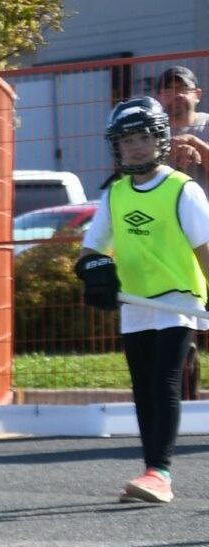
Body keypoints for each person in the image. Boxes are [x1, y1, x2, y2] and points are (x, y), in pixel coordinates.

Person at [76, 96, 209, 505]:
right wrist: (94, 272)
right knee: (142, 388)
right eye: (127, 140)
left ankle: (159, 473)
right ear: (116, 146)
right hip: (134, 304)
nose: (135, 147)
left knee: (164, 381)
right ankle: (153, 470)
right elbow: (91, 250)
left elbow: (205, 250)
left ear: (161, 140)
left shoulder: (181, 190)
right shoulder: (115, 195)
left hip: (179, 302)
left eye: (144, 137)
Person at [156, 66, 209, 188]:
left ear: (198, 95)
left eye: (184, 89)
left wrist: (194, 143)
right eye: (169, 91)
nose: (177, 95)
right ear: (159, 98)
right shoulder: (152, 131)